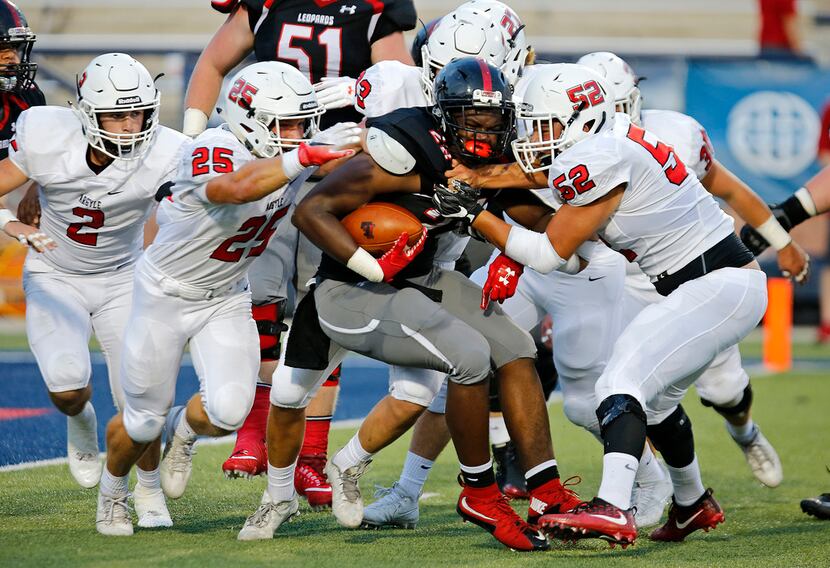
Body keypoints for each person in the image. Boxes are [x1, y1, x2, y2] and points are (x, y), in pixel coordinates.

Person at [237, 58, 578, 552]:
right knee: (291, 396)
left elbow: (537, 219)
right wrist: (374, 266)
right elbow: (313, 211)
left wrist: (604, 213)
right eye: (470, 119)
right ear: (443, 114)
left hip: (421, 280)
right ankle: (281, 496)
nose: (483, 132)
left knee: (515, 347)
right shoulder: (402, 148)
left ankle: (546, 493)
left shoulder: (488, 156)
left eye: (492, 121)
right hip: (354, 287)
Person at [433, 63, 769, 546]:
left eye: (546, 124)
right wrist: (484, 177)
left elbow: (549, 253)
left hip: (715, 283)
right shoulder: (610, 139)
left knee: (617, 381)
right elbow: (545, 169)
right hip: (711, 282)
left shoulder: (602, 154)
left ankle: (614, 507)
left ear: (583, 120)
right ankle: (693, 503)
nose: (535, 135)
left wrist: (477, 216)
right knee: (654, 404)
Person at [94, 61, 353, 536]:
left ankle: (185, 432)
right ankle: (113, 494)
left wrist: (371, 119)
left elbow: (360, 155)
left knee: (229, 412)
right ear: (248, 117)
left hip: (226, 295)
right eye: (287, 124)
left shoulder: (288, 149)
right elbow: (233, 189)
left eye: (302, 124)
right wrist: (309, 155)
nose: (297, 135)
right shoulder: (214, 147)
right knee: (142, 423)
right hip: (164, 295)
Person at [185, 0, 416, 497]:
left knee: (321, 311)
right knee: (260, 304)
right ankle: (252, 433)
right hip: (266, 164)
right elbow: (212, 63)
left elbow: (406, 90)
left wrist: (364, 111)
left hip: (338, 173)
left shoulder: (376, 9)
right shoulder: (269, 4)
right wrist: (193, 133)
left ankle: (311, 453)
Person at [578, 51, 802, 489]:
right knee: (624, 390)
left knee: (724, 391)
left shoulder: (675, 138)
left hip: (694, 280)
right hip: (627, 282)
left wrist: (784, 241)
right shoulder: (569, 150)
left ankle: (745, 432)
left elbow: (730, 189)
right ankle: (663, 486)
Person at [0, 53, 188, 528]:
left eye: (138, 113)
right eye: (117, 115)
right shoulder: (47, 135)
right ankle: (80, 419)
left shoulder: (169, 150)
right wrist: (10, 224)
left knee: (141, 400)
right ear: (87, 113)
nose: (130, 126)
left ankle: (145, 493)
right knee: (66, 388)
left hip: (124, 279)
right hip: (54, 276)